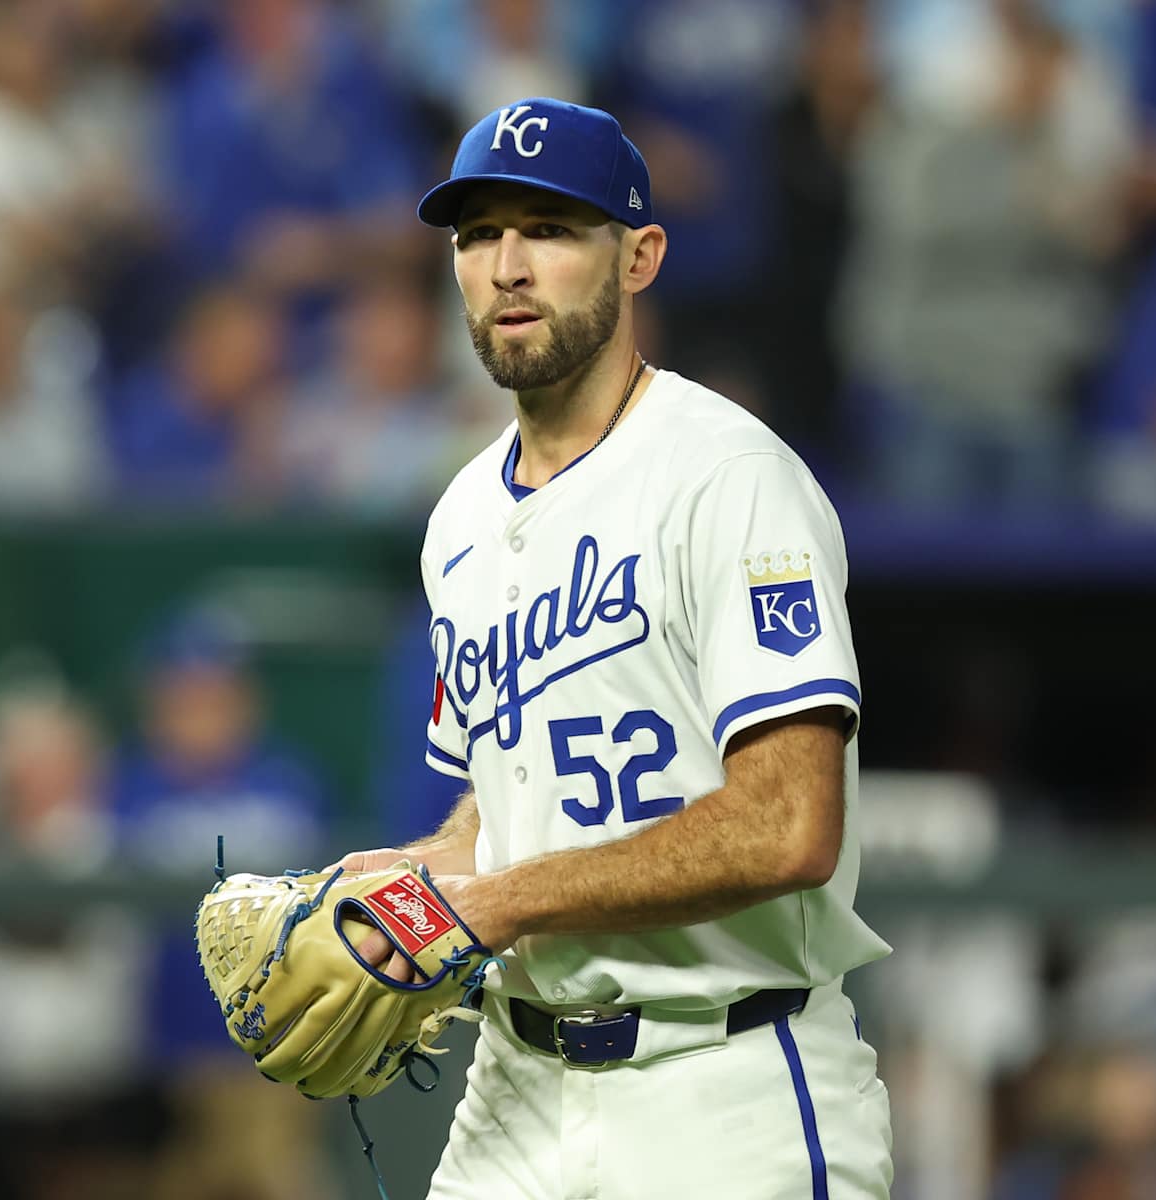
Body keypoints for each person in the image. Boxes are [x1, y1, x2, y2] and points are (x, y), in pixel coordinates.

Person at [330, 97, 894, 1198]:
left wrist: (494, 904)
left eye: (549, 228)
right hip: (516, 1090)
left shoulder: (726, 475)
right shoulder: (458, 520)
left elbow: (789, 826)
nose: (508, 266)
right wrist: (410, 884)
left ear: (639, 257)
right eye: (479, 234)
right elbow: (500, 813)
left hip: (722, 1080)